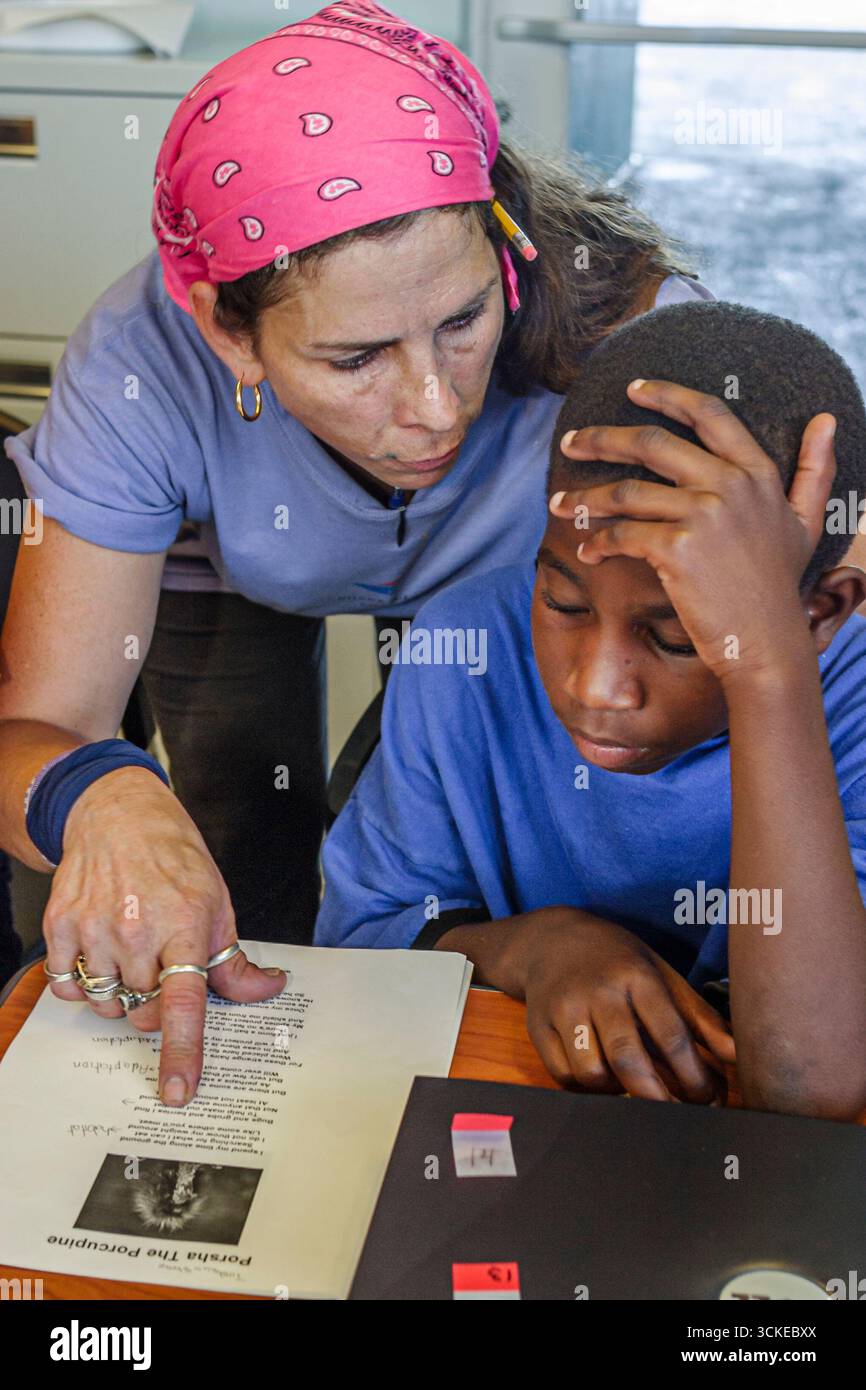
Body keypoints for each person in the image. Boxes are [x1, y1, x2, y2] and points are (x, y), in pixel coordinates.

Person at [0, 2, 716, 1097]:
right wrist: (99, 795)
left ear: (507, 251)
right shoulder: (138, 370)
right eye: (354, 358)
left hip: (498, 580)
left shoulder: (626, 339)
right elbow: (36, 726)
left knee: (414, 851)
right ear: (224, 331)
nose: (433, 408)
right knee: (231, 820)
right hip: (236, 560)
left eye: (465, 320)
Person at [315, 300, 866, 1122]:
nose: (597, 686)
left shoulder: (843, 698)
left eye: (676, 640)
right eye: (563, 602)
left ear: (822, 614)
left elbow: (812, 1085)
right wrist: (535, 947)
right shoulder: (463, 646)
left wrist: (770, 673)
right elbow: (357, 945)